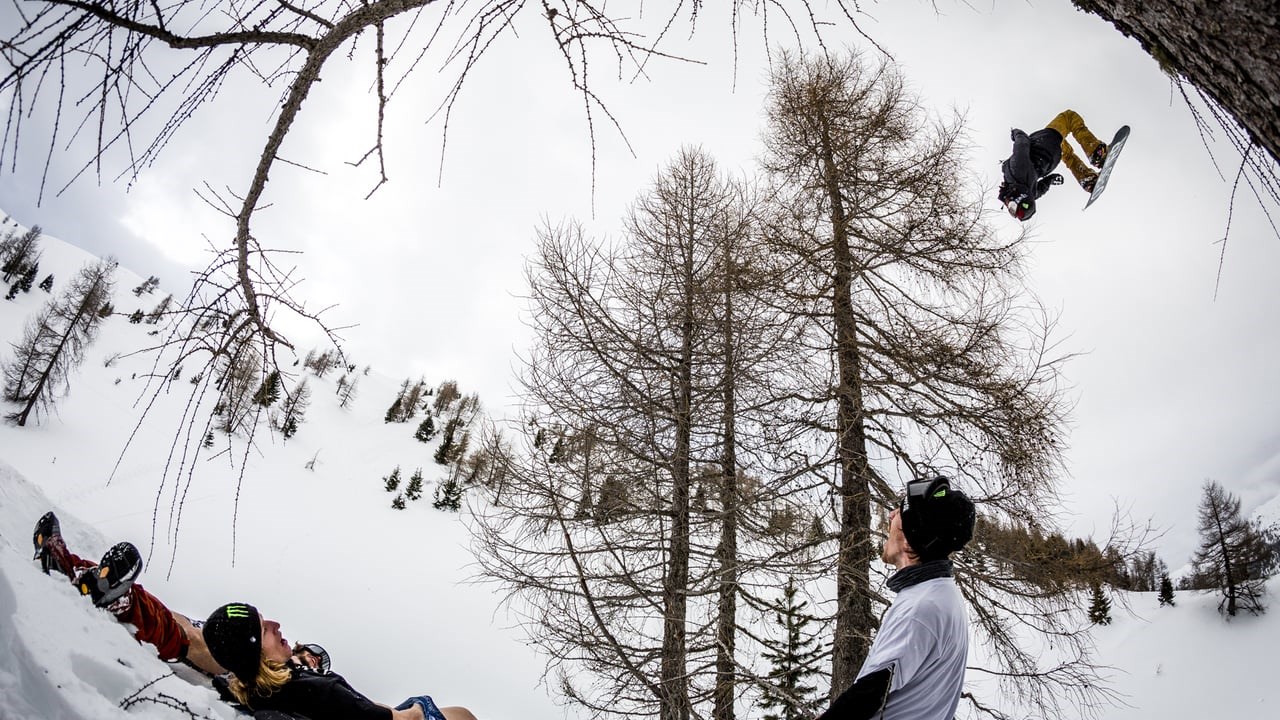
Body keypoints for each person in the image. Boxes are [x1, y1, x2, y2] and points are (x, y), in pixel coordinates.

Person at [816, 475, 977, 720]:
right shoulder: (939, 593)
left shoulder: (921, 608)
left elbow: (871, 690)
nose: (891, 515)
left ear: (911, 540)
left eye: (900, 513)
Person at [202, 602, 480, 720]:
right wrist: (419, 708)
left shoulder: (248, 689)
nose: (276, 625)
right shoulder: (318, 691)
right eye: (264, 629)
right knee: (460, 714)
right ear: (254, 655)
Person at [33, 511, 227, 676]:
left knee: (182, 633)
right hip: (203, 628)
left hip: (220, 642)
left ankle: (98, 582)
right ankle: (101, 583)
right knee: (175, 625)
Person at [997, 110, 1111, 221]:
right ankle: (1096, 152)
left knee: (1068, 155)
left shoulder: (1024, 190)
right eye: (1012, 207)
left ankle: (1087, 178)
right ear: (1018, 199)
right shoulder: (1017, 172)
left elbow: (1038, 191)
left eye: (1011, 208)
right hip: (1045, 144)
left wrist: (1050, 180)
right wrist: (1016, 133)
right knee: (1069, 117)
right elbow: (1022, 143)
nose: (1008, 205)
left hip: (1051, 159)